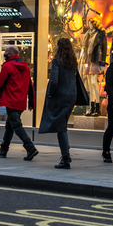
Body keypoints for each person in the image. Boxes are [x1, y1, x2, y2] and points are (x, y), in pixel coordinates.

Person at [0, 45, 38, 161]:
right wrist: (31, 101)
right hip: (20, 102)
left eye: (5, 52)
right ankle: (3, 150)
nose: (4, 53)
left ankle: (30, 148)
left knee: (16, 126)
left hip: (11, 101)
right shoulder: (25, 68)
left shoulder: (8, 66)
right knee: (9, 125)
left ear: (9, 53)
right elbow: (30, 85)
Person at [39, 37, 79, 169]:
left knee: (61, 128)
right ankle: (66, 155)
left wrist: (50, 93)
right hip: (72, 96)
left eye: (57, 45)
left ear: (59, 47)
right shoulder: (73, 62)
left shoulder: (56, 61)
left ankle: (66, 157)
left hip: (60, 96)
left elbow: (54, 80)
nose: (55, 47)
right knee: (62, 126)